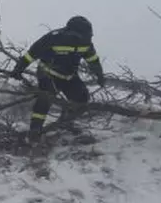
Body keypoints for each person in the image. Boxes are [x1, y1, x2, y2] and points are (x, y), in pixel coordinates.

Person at [9, 15, 106, 144]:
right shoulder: (53, 38)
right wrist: (18, 70)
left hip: (69, 75)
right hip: (47, 73)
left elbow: (93, 60)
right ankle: (34, 131)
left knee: (82, 98)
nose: (89, 37)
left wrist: (99, 75)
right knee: (46, 98)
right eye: (85, 35)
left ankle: (65, 122)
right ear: (73, 33)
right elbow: (31, 54)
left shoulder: (86, 43)